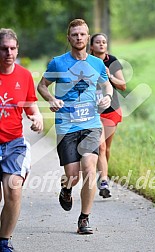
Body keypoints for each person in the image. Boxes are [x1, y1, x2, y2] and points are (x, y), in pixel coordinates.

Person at [37, 19, 113, 234]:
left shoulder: (97, 64)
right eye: (75, 34)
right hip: (66, 125)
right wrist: (51, 99)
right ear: (68, 38)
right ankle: (66, 189)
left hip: (90, 124)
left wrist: (107, 96)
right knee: (73, 175)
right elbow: (42, 86)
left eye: (82, 34)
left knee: (89, 168)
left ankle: (84, 219)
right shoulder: (57, 63)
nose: (79, 38)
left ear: (88, 38)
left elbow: (107, 85)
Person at [0, 28, 43, 251]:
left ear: (18, 50)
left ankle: (3, 241)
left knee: (14, 190)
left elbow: (30, 105)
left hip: (14, 143)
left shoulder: (24, 76)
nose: (9, 53)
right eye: (4, 48)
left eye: (13, 48)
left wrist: (37, 118)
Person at [90, 33, 126, 198]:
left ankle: (102, 174)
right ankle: (104, 181)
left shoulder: (112, 61)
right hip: (93, 111)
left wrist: (109, 75)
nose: (101, 45)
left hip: (111, 110)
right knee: (101, 146)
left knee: (107, 147)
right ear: (91, 46)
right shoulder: (87, 61)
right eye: (98, 42)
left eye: (104, 42)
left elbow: (123, 85)